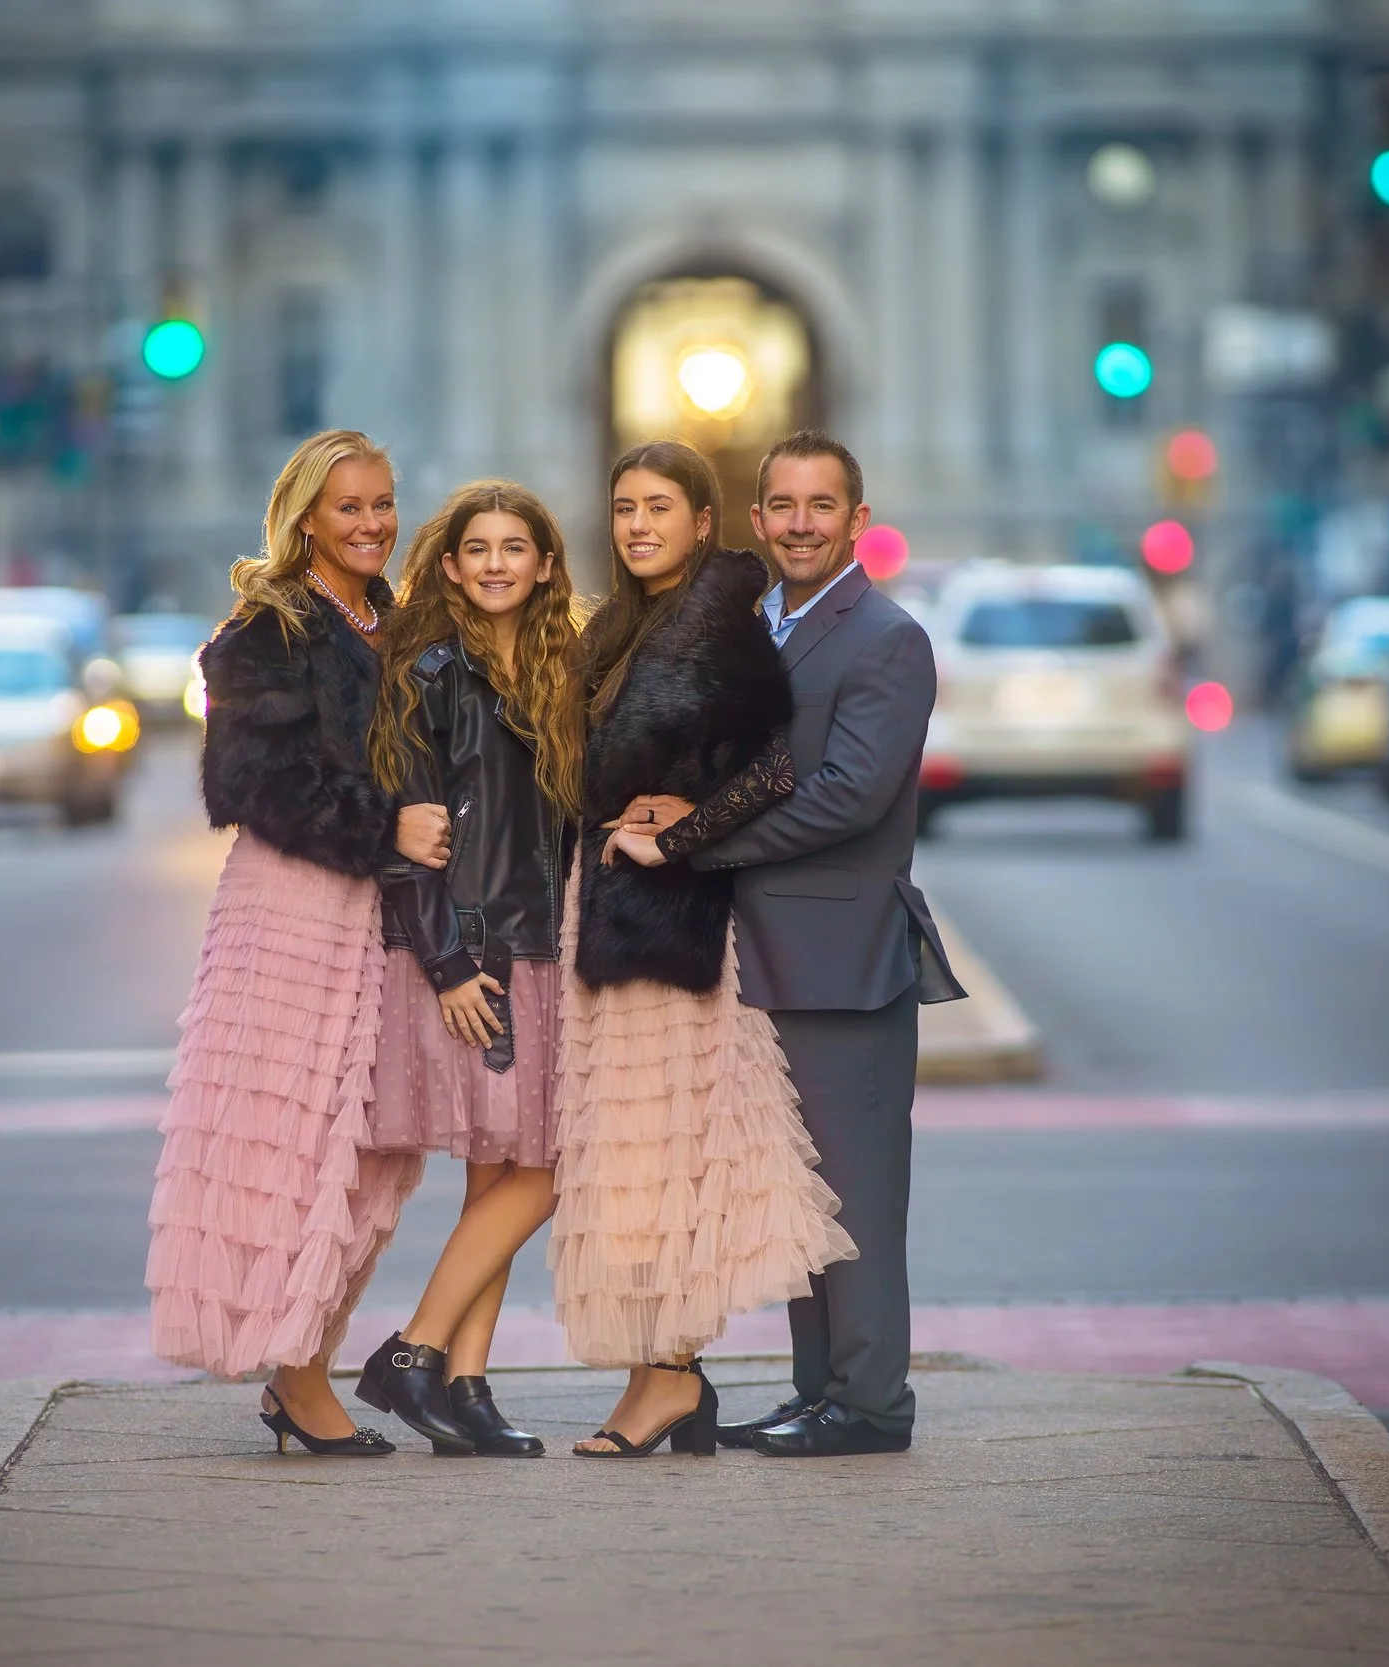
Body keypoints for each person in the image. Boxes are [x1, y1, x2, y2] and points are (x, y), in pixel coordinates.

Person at [145, 429, 452, 1457]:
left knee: (375, 1145)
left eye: (382, 504)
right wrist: (382, 826)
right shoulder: (263, 633)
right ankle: (298, 1375)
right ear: (305, 517)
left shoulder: (398, 622)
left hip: (385, 915)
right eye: (349, 507)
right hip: (293, 911)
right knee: (296, 1144)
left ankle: (307, 1353)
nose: (370, 523)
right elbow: (246, 785)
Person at [555, 439, 856, 1458]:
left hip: (671, 926)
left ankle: (670, 1376)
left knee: (660, 1160)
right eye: (625, 507)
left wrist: (678, 829)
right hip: (607, 919)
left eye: (659, 508)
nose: (639, 525)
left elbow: (774, 767)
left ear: (700, 523)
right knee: (624, 1159)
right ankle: (664, 1377)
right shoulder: (619, 629)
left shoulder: (720, 628)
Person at [670, 429, 964, 1459]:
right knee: (800, 1196)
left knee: (856, 1197)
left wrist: (699, 844)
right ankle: (819, 1393)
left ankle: (872, 1403)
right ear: (758, 521)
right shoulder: (755, 629)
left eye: (821, 505)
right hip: (757, 952)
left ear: (856, 520)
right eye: (783, 505)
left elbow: (850, 793)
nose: (800, 522)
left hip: (845, 955)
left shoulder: (887, 636)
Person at [352, 481, 586, 1457]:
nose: (495, 563)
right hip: (471, 952)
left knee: (501, 1172)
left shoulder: (558, 668)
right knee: (544, 1165)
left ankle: (462, 1385)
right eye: (476, 547)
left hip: (542, 945)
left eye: (514, 548)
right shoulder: (425, 672)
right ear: (448, 566)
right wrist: (448, 963)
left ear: (542, 565)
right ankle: (410, 1354)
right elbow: (407, 833)